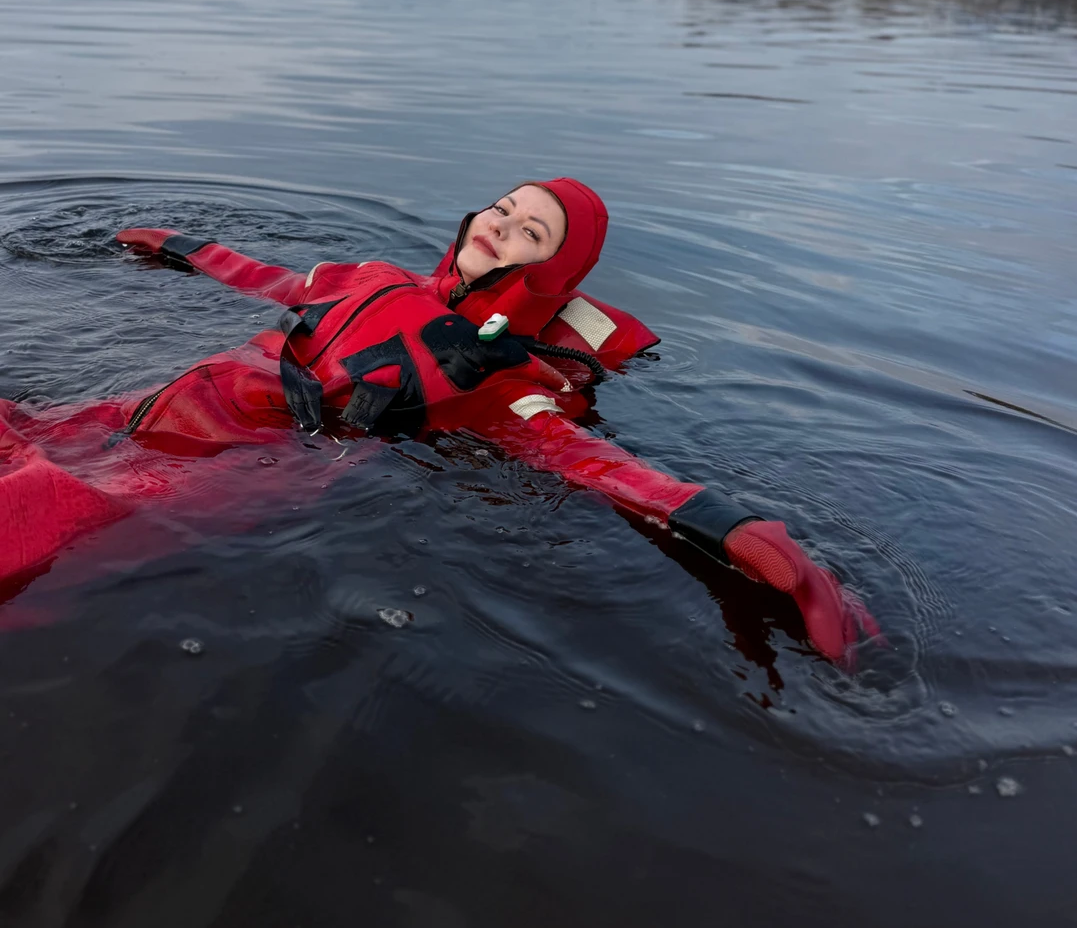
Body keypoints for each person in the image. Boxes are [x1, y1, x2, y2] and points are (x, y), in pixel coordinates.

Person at [0, 178, 875, 658]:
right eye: (503, 206)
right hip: (124, 412)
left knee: (47, 513)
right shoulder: (370, 275)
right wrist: (180, 249)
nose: (503, 222)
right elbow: (272, 280)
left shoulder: (496, 375)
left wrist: (726, 526)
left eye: (532, 230)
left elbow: (580, 456)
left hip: (228, 461)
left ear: (551, 274)